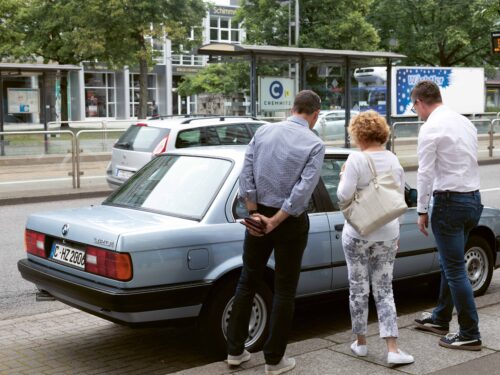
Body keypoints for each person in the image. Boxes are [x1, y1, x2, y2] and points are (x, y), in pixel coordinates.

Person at [226, 90, 325, 375]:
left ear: (293, 108)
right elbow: (302, 190)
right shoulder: (314, 144)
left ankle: (235, 351)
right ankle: (273, 360)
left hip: (258, 214)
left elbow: (246, 173)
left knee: (248, 280)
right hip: (290, 221)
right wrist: (277, 219)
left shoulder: (263, 132)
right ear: (315, 114)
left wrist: (255, 212)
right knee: (285, 289)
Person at [337, 111, 414, 365]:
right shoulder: (393, 160)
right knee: (384, 289)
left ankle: (360, 343)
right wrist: (397, 232)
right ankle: (393, 349)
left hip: (358, 232)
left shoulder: (356, 159)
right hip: (388, 232)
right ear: (382, 132)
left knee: (358, 288)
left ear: (358, 134)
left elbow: (343, 195)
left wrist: (343, 175)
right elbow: (398, 200)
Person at [412, 80, 483, 351]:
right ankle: (441, 318)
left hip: (449, 203)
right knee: (449, 262)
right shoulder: (464, 122)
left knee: (454, 269)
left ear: (420, 102)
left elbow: (425, 172)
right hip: (472, 200)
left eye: (414, 106)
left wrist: (421, 210)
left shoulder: (430, 128)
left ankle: (470, 333)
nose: (416, 112)